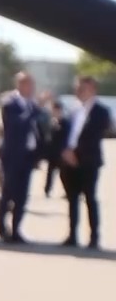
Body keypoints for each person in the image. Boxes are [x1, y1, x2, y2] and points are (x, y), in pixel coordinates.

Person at [58, 75, 109, 250]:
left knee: (90, 199)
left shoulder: (101, 111)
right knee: (72, 199)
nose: (78, 91)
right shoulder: (73, 109)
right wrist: (65, 151)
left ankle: (94, 237)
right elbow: (64, 132)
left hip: (88, 161)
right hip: (69, 161)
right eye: (77, 88)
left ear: (93, 89)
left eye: (82, 88)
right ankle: (72, 235)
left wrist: (76, 153)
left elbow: (93, 136)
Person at [0, 72, 41, 243]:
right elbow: (18, 124)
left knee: (22, 195)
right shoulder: (10, 103)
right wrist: (36, 110)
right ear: (20, 85)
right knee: (8, 193)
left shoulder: (31, 105)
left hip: (28, 156)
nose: (32, 89)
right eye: (29, 85)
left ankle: (16, 229)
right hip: (12, 156)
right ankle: (2, 228)